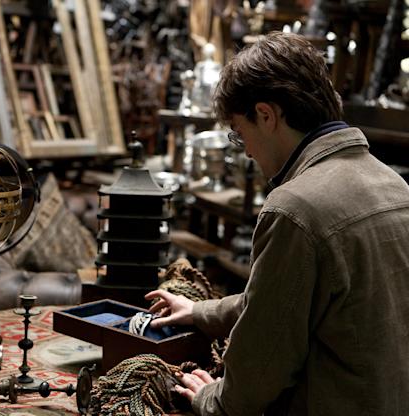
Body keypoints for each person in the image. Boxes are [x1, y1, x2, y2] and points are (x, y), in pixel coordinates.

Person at [145, 31, 409, 415]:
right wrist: (200, 312)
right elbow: (284, 301)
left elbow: (255, 380)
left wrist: (209, 398)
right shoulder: (395, 186)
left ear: (266, 115)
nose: (248, 152)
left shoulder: (295, 208)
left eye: (241, 135)